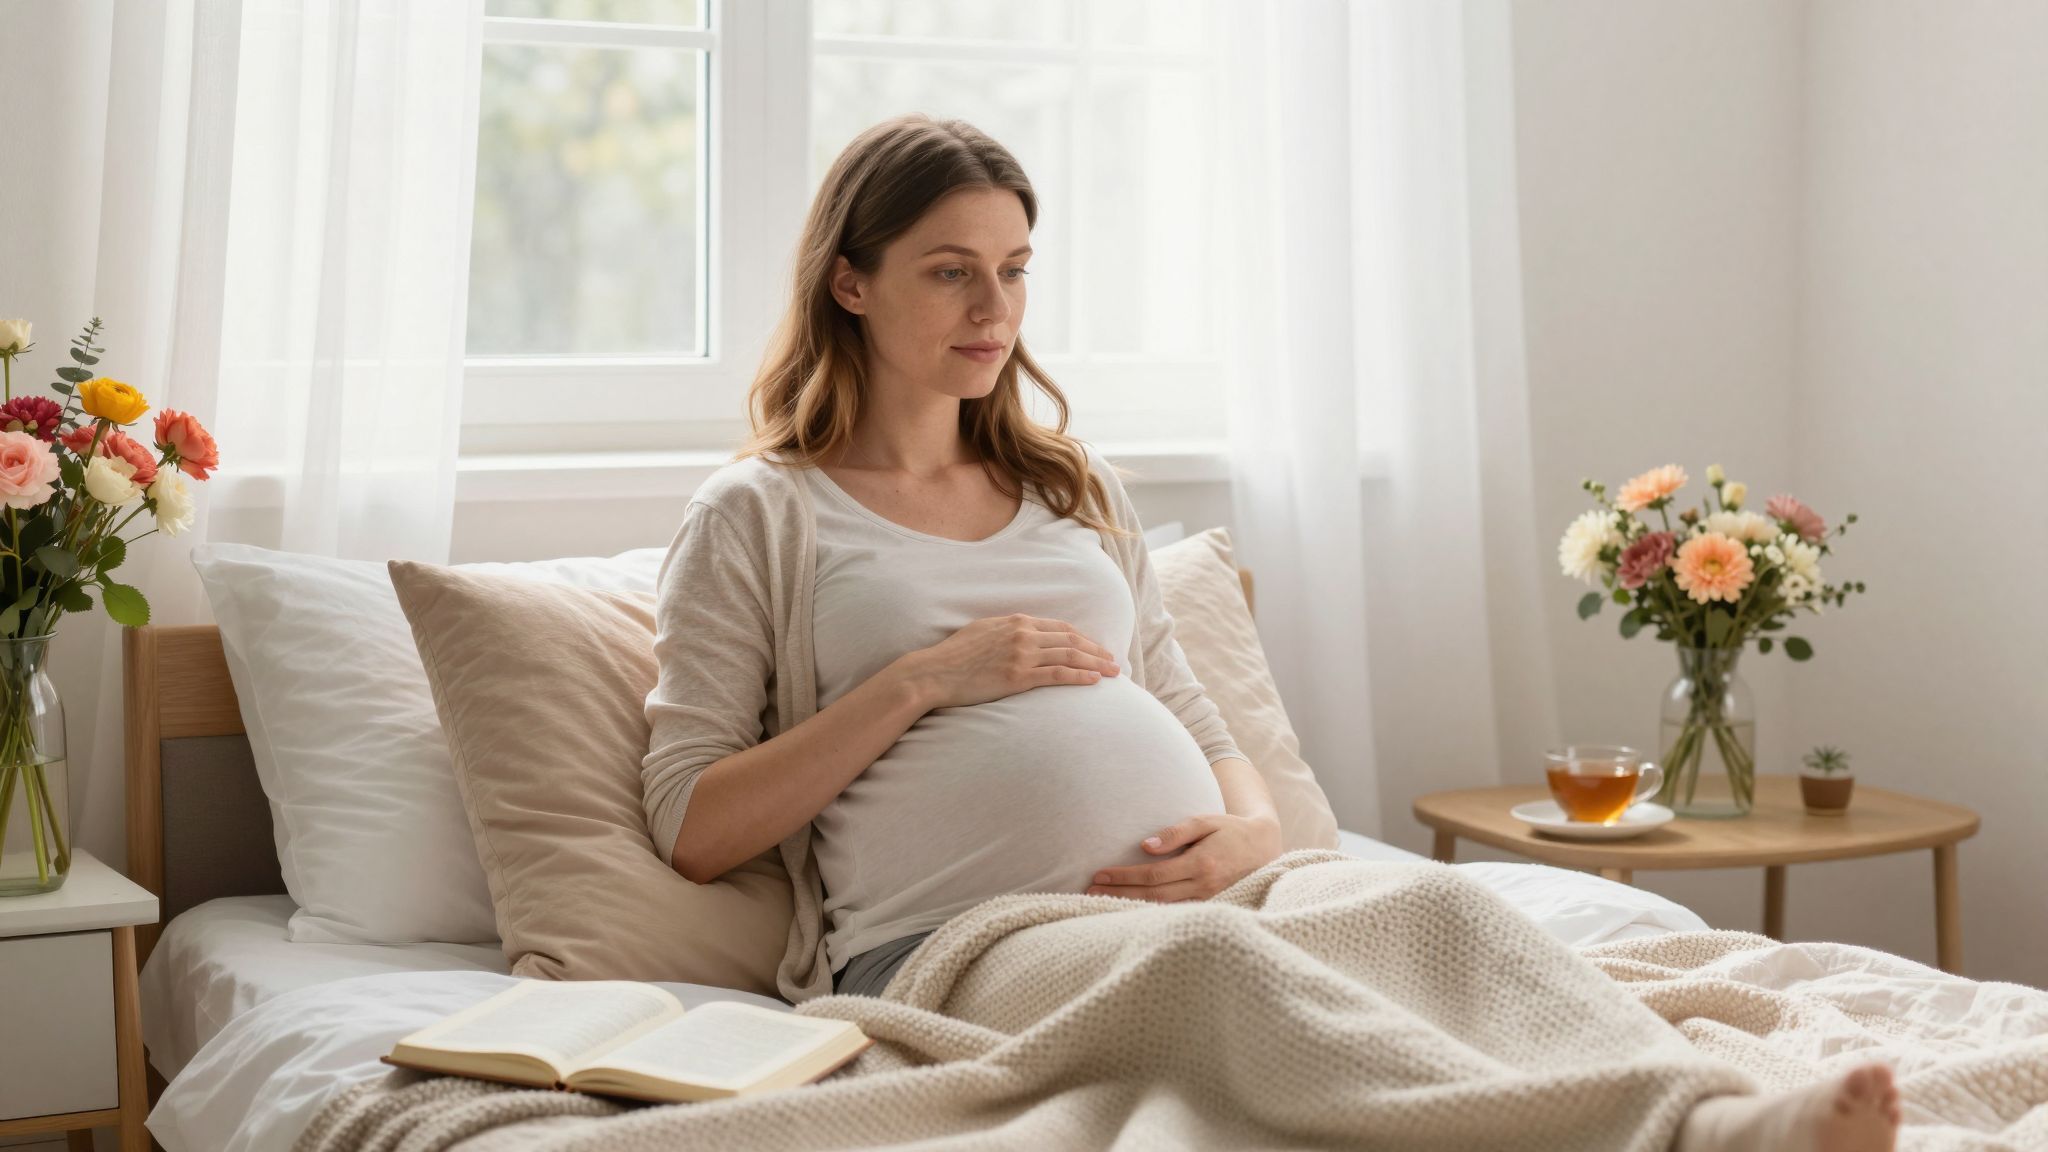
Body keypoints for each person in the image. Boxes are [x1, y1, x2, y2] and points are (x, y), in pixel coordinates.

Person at [641, 113, 1901, 1152]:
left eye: (1015, 267)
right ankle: (1690, 1136)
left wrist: (1246, 829)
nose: (994, 307)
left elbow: (1187, 706)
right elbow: (693, 826)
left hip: (1224, 889)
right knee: (1209, 971)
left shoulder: (1069, 487)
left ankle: (1716, 1101)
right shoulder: (761, 513)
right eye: (949, 269)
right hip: (959, 943)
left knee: (1443, 919)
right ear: (848, 280)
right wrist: (921, 681)